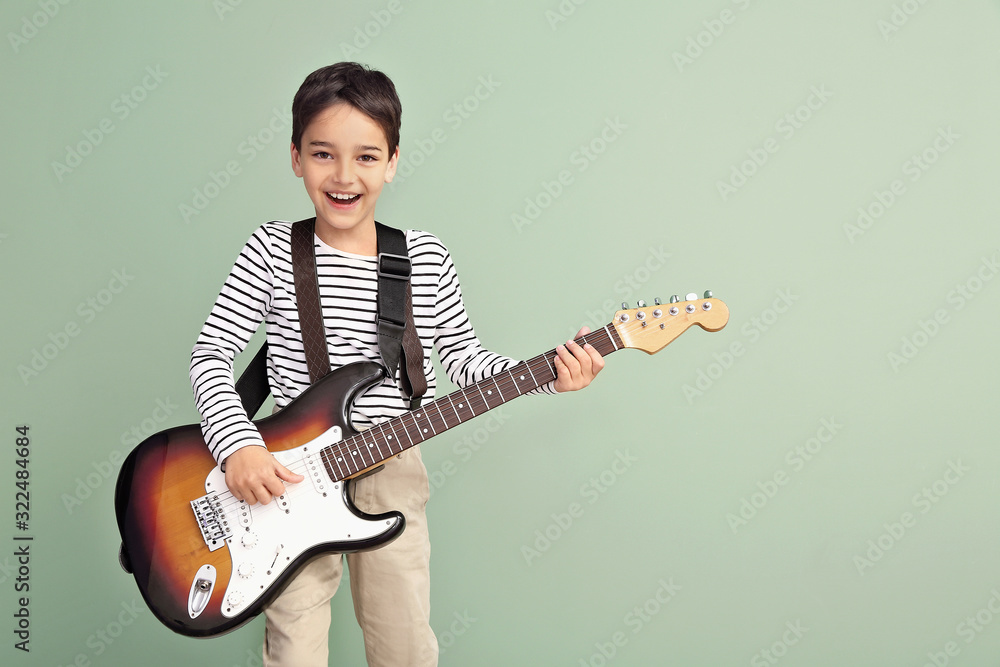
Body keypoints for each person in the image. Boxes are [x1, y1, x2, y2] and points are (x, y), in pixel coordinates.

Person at [189, 62, 603, 667]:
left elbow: (463, 359)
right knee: (294, 650)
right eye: (324, 154)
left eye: (365, 156)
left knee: (404, 645)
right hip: (286, 478)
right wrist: (238, 446)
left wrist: (548, 374)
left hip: (393, 466)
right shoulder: (272, 249)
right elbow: (212, 353)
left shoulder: (425, 258)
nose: (344, 175)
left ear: (392, 161)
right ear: (296, 157)